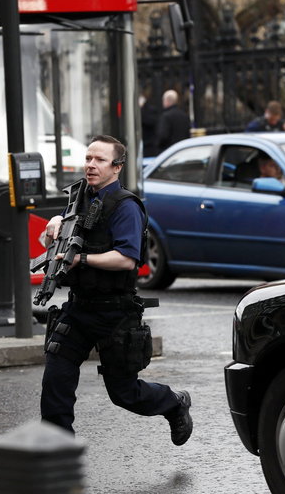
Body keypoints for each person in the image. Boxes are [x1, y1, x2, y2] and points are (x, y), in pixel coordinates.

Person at [40, 135, 193, 445]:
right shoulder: (81, 196)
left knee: (124, 394)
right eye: (88, 159)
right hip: (79, 306)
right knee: (56, 379)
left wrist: (81, 259)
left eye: (99, 160)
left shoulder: (126, 206)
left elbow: (126, 259)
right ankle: (57, 453)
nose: (90, 165)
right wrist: (53, 225)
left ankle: (174, 403)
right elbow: (62, 236)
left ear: (117, 167)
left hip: (115, 312)